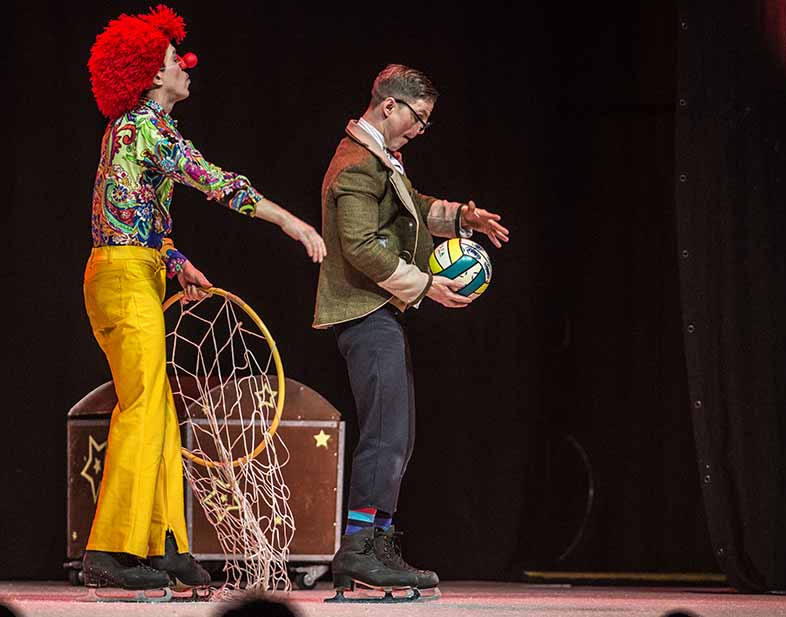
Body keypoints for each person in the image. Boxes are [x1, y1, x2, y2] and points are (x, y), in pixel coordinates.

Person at [81, 5, 325, 592]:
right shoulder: (145, 126)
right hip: (121, 276)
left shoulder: (136, 132)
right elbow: (213, 180)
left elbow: (128, 211)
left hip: (132, 270)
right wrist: (288, 221)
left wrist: (175, 260)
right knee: (143, 408)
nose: (184, 66)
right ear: (148, 74)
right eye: (172, 60)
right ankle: (110, 548)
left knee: (159, 409)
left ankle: (162, 543)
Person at [313, 64, 509, 596]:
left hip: (380, 312)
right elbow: (358, 245)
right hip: (362, 311)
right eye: (418, 118)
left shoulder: (382, 159)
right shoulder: (356, 163)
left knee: (398, 432)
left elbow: (416, 209)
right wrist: (425, 285)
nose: (420, 130)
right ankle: (358, 547)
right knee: (386, 433)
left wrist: (464, 219)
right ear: (390, 106)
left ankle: (375, 540)